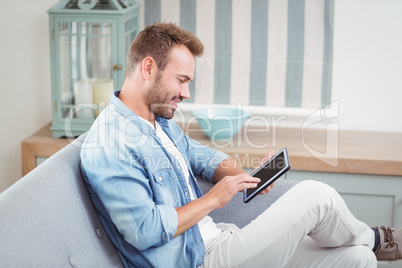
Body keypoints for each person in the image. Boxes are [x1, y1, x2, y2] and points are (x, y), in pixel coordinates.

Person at [80, 22, 401, 268]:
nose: (187, 94)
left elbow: (203, 156)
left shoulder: (157, 122)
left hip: (220, 239)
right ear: (148, 68)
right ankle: (376, 237)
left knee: (358, 260)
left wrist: (248, 178)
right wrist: (214, 199)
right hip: (199, 261)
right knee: (317, 196)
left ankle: (368, 245)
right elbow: (144, 230)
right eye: (181, 80)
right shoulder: (109, 143)